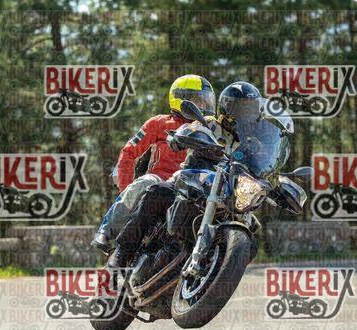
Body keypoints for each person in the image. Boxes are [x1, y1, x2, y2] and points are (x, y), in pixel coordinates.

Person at [108, 81, 263, 269]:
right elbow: (189, 129)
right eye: (238, 108)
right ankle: (121, 254)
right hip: (191, 184)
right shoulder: (208, 124)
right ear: (226, 107)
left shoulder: (252, 145)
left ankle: (212, 274)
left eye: (248, 110)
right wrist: (182, 136)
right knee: (157, 192)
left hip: (226, 196)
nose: (243, 114)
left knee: (252, 235)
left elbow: (262, 167)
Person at [90, 74, 216, 253]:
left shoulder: (212, 128)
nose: (202, 105)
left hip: (197, 185)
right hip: (160, 180)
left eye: (204, 100)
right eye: (197, 100)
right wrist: (126, 188)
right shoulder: (159, 123)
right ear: (179, 99)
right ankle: (107, 230)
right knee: (146, 181)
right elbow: (129, 152)